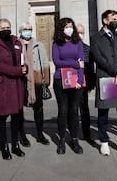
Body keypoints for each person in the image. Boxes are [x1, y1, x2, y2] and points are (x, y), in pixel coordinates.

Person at [90, 10, 117, 157]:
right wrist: (116, 71)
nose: (115, 20)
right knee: (104, 112)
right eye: (113, 18)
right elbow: (99, 58)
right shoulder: (96, 38)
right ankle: (104, 141)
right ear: (105, 20)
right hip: (107, 77)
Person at [0, 18, 27, 160]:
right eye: (2, 28)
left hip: (16, 85)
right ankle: (4, 146)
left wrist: (24, 68)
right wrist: (16, 71)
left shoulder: (17, 43)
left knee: (16, 116)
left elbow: (22, 60)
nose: (6, 30)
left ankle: (15, 144)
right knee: (2, 117)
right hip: (2, 86)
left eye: (8, 27)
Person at [52, 17, 84, 154]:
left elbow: (82, 63)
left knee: (74, 111)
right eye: (66, 26)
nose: (69, 29)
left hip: (76, 80)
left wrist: (80, 80)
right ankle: (62, 140)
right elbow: (57, 62)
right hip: (60, 79)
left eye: (71, 26)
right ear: (61, 28)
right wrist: (75, 64)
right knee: (63, 110)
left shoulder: (78, 43)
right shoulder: (56, 44)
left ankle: (75, 139)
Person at [17, 22, 50, 146]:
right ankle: (22, 135)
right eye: (25, 29)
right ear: (20, 31)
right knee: (19, 109)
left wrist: (45, 81)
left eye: (29, 29)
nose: (27, 31)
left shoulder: (38, 44)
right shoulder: (16, 44)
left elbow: (45, 62)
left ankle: (40, 134)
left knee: (39, 109)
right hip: (21, 80)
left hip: (36, 80)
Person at [76, 23, 96, 145]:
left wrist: (91, 83)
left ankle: (87, 134)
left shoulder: (88, 48)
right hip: (71, 84)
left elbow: (91, 68)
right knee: (71, 110)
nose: (80, 34)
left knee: (85, 110)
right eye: (78, 32)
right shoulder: (68, 47)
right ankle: (73, 135)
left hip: (84, 84)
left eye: (82, 32)